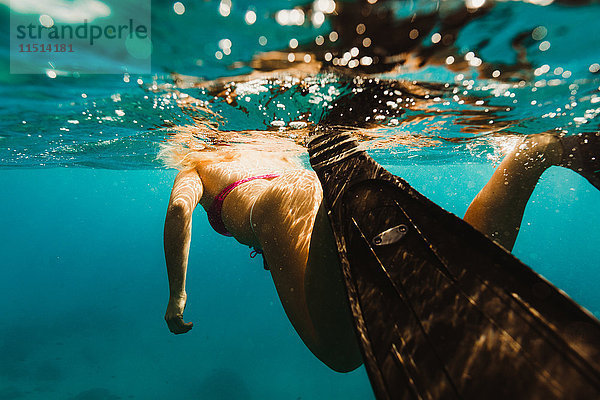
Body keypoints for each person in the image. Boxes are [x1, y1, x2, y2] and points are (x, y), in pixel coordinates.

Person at [162, 125, 599, 373]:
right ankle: (536, 152)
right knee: (452, 275)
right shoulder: (274, 153)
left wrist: (177, 295)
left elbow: (181, 211)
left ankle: (344, 199)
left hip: (281, 208)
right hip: (309, 185)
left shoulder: (200, 162)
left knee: (342, 354)